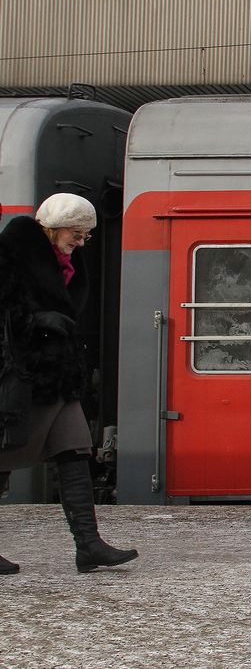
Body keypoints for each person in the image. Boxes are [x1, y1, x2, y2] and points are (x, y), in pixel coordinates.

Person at [0, 193, 138, 575]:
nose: (80, 243)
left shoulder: (68, 261)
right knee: (3, 458)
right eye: (76, 234)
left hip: (57, 377)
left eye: (85, 236)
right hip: (18, 377)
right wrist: (36, 320)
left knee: (75, 450)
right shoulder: (10, 251)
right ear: (53, 226)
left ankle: (89, 546)